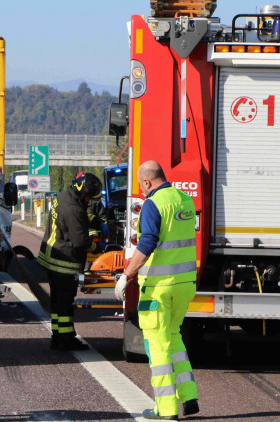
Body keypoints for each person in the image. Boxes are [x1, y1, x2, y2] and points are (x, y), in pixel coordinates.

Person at [115, 161, 200, 420]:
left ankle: (166, 410)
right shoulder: (184, 200)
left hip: (158, 288)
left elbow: (148, 241)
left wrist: (126, 275)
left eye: (142, 186)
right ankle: (189, 397)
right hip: (184, 284)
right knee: (173, 337)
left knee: (158, 345)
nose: (142, 191)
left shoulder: (153, 203)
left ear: (148, 182)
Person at [36, 171, 103, 350]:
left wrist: (94, 219)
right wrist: (99, 249)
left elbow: (78, 213)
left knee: (58, 303)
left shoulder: (64, 196)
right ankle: (65, 340)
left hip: (53, 256)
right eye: (89, 197)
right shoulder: (73, 208)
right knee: (65, 304)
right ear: (83, 192)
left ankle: (58, 337)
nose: (90, 201)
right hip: (63, 261)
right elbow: (80, 241)